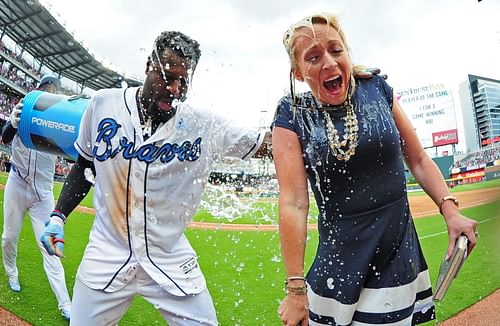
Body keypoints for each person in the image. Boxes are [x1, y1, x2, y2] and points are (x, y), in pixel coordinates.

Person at [39, 30, 269, 325]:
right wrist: (58, 215)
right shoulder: (103, 104)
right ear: (149, 65)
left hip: (169, 257)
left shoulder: (203, 124)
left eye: (183, 82)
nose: (175, 89)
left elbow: (268, 143)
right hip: (107, 253)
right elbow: (86, 164)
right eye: (168, 76)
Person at [272, 13, 478, 326]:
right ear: (298, 73)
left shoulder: (377, 88)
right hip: (339, 262)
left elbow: (418, 158)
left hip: (395, 255)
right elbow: (293, 201)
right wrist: (296, 288)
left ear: (347, 54)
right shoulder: (291, 112)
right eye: (313, 57)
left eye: (335, 50)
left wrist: (450, 209)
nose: (328, 62)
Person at [1, 75, 72, 320]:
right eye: (46, 88)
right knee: (9, 236)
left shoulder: (60, 117)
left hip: (43, 192)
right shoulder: (24, 107)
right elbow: (5, 137)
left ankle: (65, 303)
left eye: (53, 90)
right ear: (39, 89)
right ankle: (11, 272)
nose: (48, 92)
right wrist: (11, 122)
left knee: (51, 246)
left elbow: (73, 153)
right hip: (17, 182)